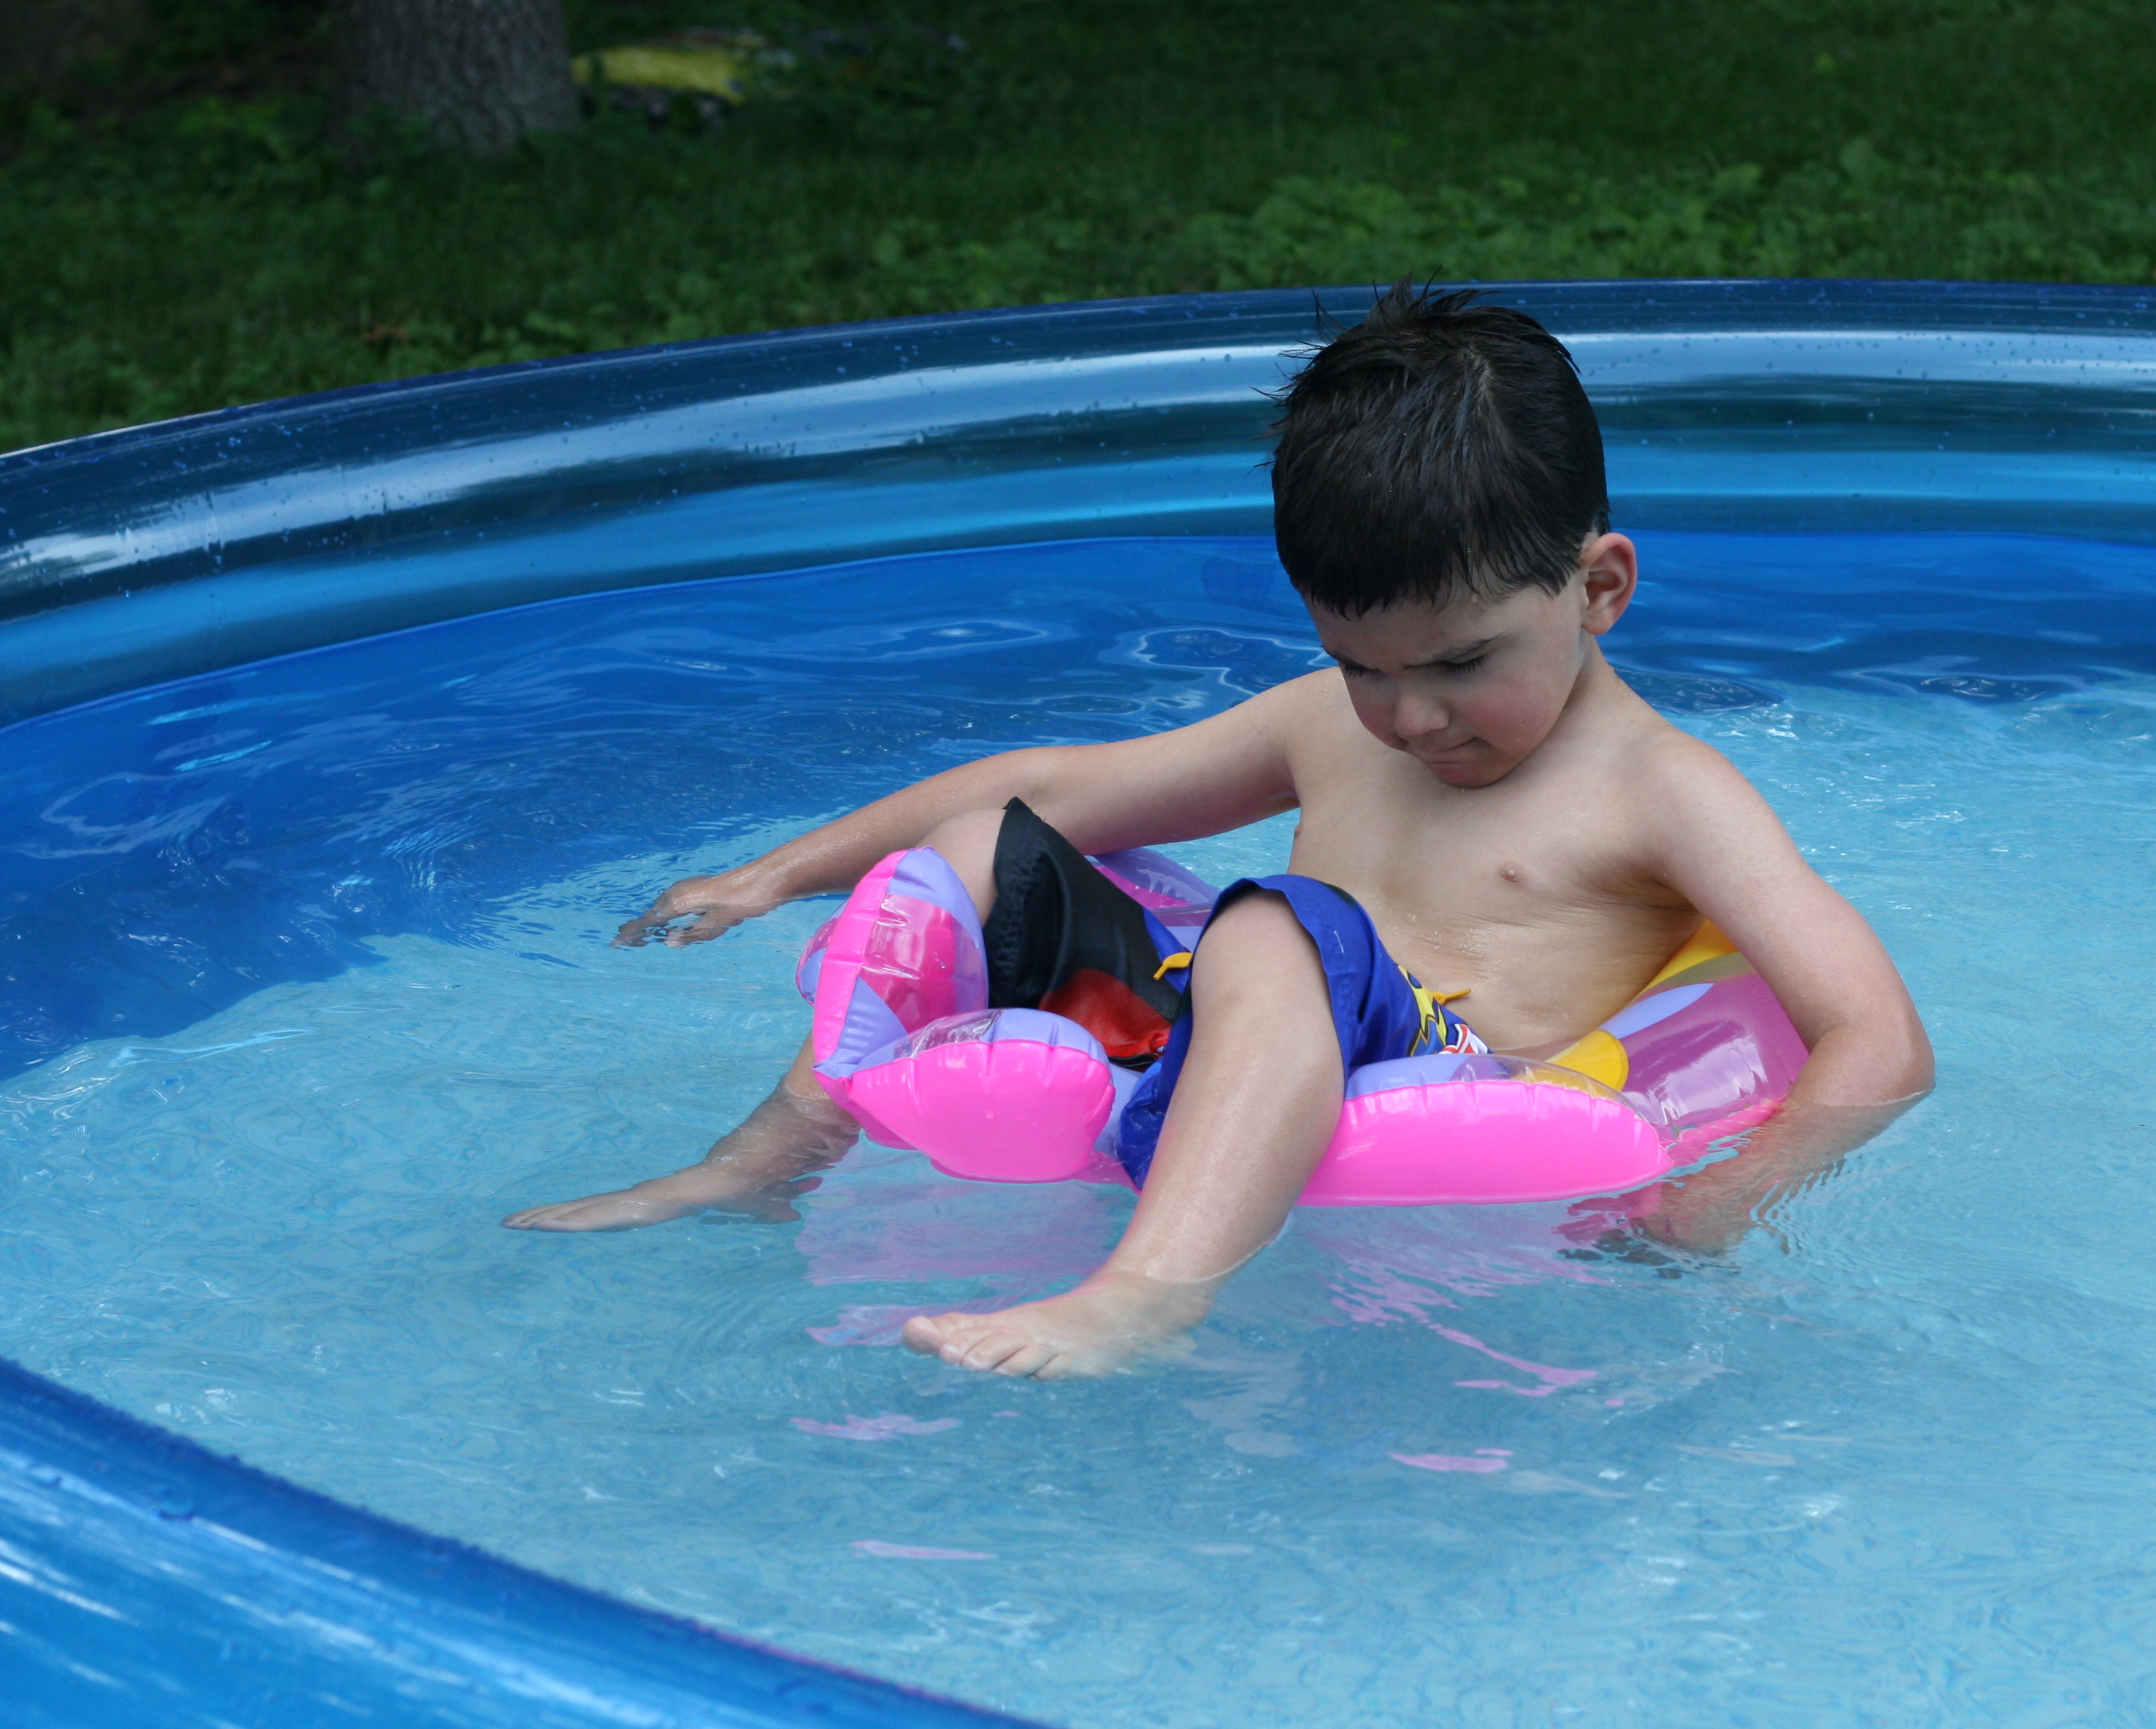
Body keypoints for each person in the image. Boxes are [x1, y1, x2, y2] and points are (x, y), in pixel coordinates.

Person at [504, 283, 1934, 1377]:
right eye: (1364, 665)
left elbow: (1878, 1037)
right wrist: (778, 873)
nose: (1411, 716)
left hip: (1437, 1075)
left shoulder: (1661, 790)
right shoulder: (1329, 724)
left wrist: (1725, 1199)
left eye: (1461, 664)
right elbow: (1058, 791)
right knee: (982, 860)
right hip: (1218, 1035)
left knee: (1279, 926)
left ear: (1600, 588)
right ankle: (760, 1167)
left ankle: (1147, 1293)